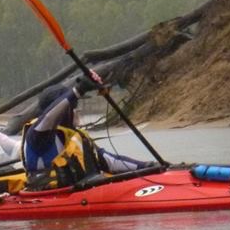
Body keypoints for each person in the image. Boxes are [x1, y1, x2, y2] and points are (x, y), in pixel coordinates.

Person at [22, 74, 151, 190]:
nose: (76, 111)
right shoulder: (38, 137)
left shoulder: (77, 137)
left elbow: (109, 161)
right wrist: (78, 90)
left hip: (83, 192)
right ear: (62, 110)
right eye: (73, 107)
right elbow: (49, 117)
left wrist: (148, 166)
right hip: (51, 197)